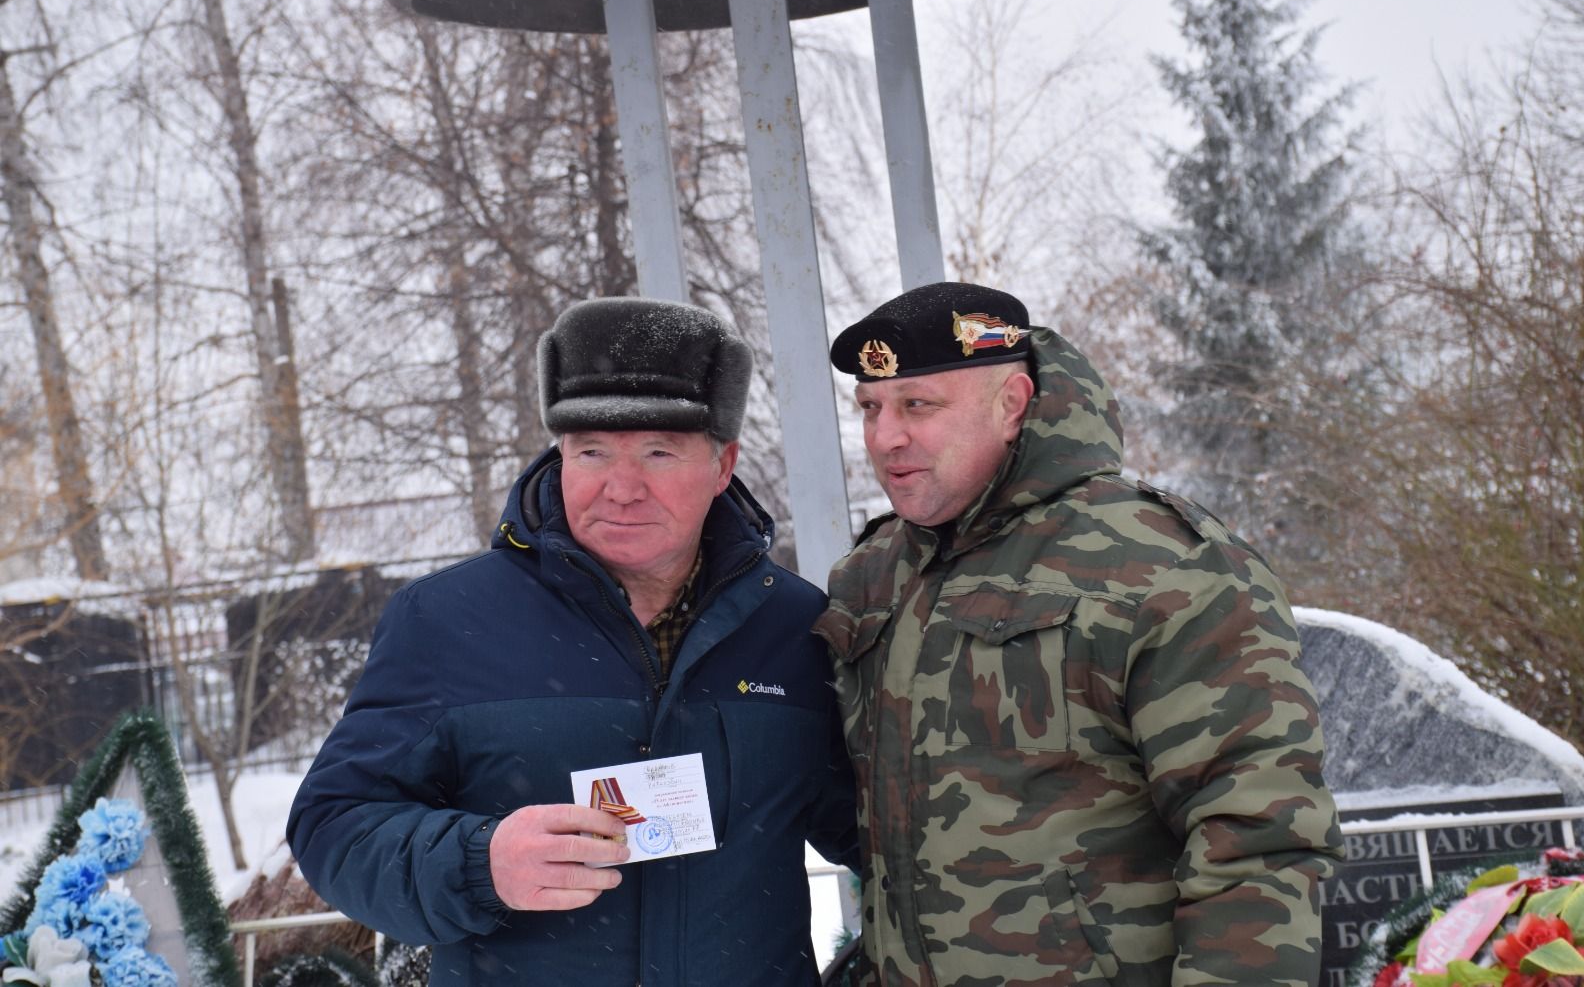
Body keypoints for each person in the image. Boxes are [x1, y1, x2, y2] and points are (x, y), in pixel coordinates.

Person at [288, 297, 858, 986]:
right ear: (560, 455)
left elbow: (884, 833)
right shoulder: (446, 621)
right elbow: (334, 826)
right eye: (591, 451)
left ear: (723, 464)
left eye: (658, 452)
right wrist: (478, 861)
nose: (622, 488)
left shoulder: (795, 627)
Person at [814, 283, 1343, 986]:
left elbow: (1257, 833)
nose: (886, 438)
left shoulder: (1157, 561)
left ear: (1012, 405)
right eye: (871, 408)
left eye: (919, 406)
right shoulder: (873, 576)